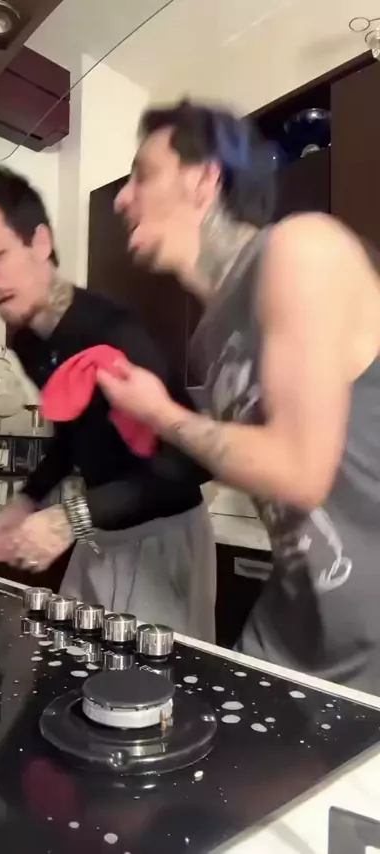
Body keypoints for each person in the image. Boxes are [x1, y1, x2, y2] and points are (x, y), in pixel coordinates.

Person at [96, 99, 380, 693]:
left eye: (142, 175)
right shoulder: (208, 336)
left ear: (203, 179)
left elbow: (299, 470)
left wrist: (161, 413)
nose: (122, 199)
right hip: (292, 636)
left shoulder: (302, 247)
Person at [0, 165, 216, 642]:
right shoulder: (28, 342)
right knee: (75, 663)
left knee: (148, 681)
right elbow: (72, 436)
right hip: (99, 530)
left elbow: (191, 464)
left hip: (163, 537)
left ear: (40, 243)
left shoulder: (112, 331)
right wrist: (26, 501)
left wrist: (69, 518)